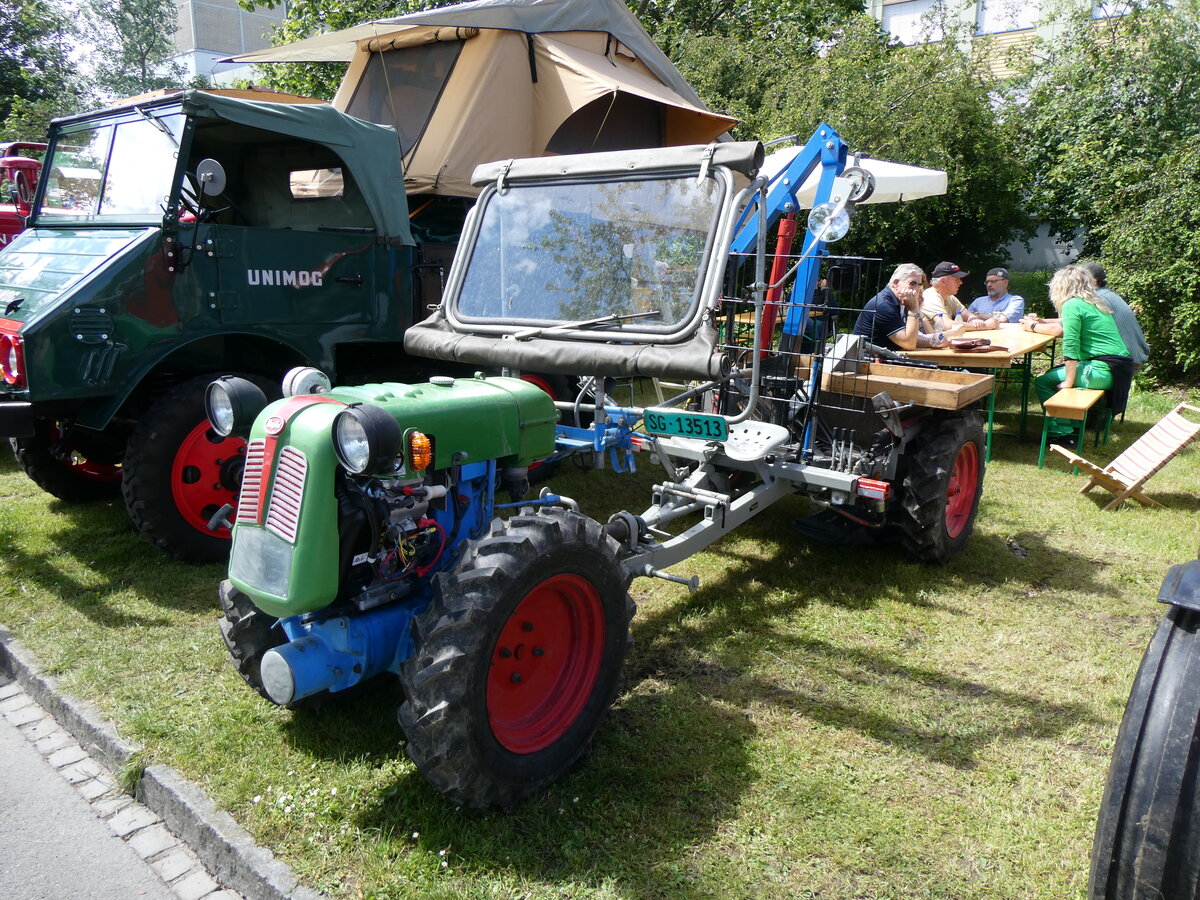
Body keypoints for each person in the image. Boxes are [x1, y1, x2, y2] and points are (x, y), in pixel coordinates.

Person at [1033, 264, 1133, 438]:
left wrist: (1068, 381)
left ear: (1060, 287)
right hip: (1118, 371)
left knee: (1043, 382)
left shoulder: (1072, 305)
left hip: (1102, 372)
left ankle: (1062, 433)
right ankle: (1073, 426)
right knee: (1054, 373)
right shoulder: (1095, 304)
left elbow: (1071, 346)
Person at [853, 263, 947, 351]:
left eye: (920, 285)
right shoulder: (883, 305)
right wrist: (913, 309)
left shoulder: (902, 301)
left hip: (890, 356)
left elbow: (914, 337)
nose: (917, 289)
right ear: (896, 283)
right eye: (912, 283)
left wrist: (936, 342)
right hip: (870, 359)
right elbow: (909, 344)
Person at [920, 261, 994, 333]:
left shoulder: (949, 297)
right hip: (930, 341)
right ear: (943, 281)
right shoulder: (930, 297)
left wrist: (974, 320)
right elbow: (947, 325)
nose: (961, 282)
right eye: (956, 279)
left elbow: (968, 315)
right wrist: (984, 326)